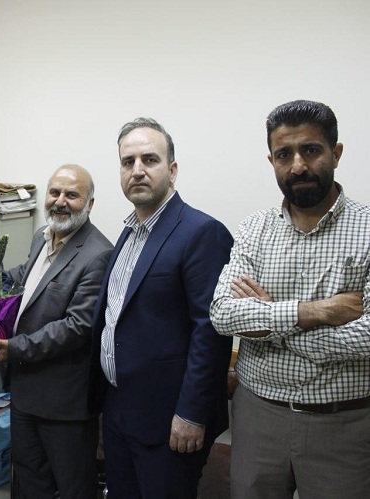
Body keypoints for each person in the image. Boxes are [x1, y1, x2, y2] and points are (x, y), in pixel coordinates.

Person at [210, 99, 370, 498]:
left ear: (336, 153)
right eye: (284, 154)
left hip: (344, 424)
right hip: (258, 416)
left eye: (310, 150)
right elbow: (223, 314)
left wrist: (271, 322)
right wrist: (316, 312)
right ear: (272, 161)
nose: (297, 165)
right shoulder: (254, 229)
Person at [88, 118, 234, 498]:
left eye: (149, 159)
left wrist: (191, 414)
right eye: (128, 161)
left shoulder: (201, 232)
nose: (137, 170)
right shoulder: (128, 232)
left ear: (172, 170)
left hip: (169, 420)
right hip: (119, 409)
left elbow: (210, 332)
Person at [0, 164, 112, 499]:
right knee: (29, 484)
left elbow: (77, 327)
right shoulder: (43, 236)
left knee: (73, 488)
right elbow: (26, 279)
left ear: (89, 204)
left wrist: (15, 348)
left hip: (64, 405)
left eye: (72, 195)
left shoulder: (99, 254)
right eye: (54, 192)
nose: (60, 201)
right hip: (25, 393)